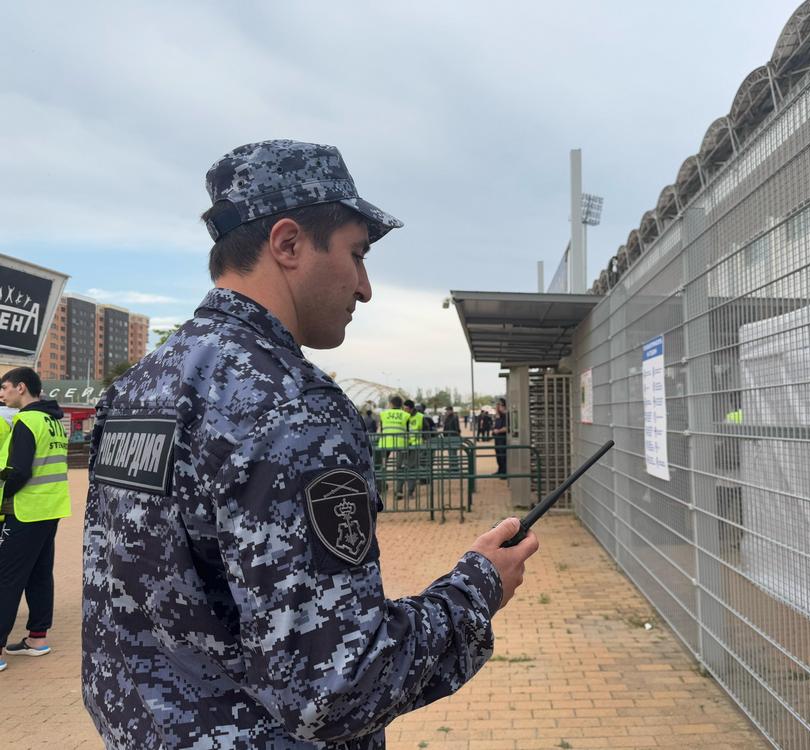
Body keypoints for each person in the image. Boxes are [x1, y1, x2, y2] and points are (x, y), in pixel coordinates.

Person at [81, 140, 538, 748]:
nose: (365, 288)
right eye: (357, 254)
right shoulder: (292, 406)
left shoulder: (139, 387)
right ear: (289, 244)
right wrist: (476, 589)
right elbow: (336, 686)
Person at [0, 367, 70, 673]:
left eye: (4, 388)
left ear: (21, 387)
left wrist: (3, 491)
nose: (2, 394)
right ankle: (37, 638)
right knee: (40, 574)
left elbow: (19, 471)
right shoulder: (54, 421)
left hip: (26, 510)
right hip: (50, 508)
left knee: (6, 578)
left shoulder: (26, 420)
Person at [376, 396, 408, 498]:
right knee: (400, 467)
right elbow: (408, 431)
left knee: (382, 466)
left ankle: (380, 488)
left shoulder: (383, 414)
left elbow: (381, 429)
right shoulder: (406, 415)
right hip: (401, 444)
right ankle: (399, 491)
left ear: (391, 404)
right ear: (401, 405)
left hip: (385, 444)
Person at [441, 405, 461, 471]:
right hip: (448, 437)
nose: (447, 412)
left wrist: (457, 435)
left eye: (448, 410)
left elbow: (456, 428)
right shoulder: (448, 417)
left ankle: (454, 467)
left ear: (451, 410)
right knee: (450, 453)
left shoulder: (454, 417)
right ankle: (452, 466)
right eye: (446, 410)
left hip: (453, 437)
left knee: (453, 453)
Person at [492, 398, 508, 476]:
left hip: (503, 439)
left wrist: (498, 431)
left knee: (503, 456)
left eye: (499, 405)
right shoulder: (498, 417)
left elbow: (507, 428)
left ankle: (504, 472)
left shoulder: (506, 416)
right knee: (498, 456)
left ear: (504, 406)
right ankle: (500, 470)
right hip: (497, 439)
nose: (497, 407)